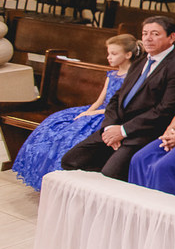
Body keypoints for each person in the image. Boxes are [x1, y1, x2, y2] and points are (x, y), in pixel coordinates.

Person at [60, 17, 175, 181]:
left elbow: (165, 110)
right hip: (115, 127)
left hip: (142, 132)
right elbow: (116, 98)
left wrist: (123, 131)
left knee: (109, 174)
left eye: (155, 34)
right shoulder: (140, 61)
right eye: (145, 33)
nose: (148, 38)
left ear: (171, 37)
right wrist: (110, 127)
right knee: (70, 161)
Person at [13, 34, 139, 191]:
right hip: (97, 110)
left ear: (128, 55)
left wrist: (94, 114)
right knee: (55, 124)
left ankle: (65, 182)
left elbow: (117, 106)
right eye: (108, 53)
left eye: (114, 54)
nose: (109, 57)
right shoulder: (112, 75)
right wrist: (88, 111)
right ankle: (45, 178)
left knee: (72, 137)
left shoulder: (133, 77)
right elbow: (100, 100)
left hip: (110, 116)